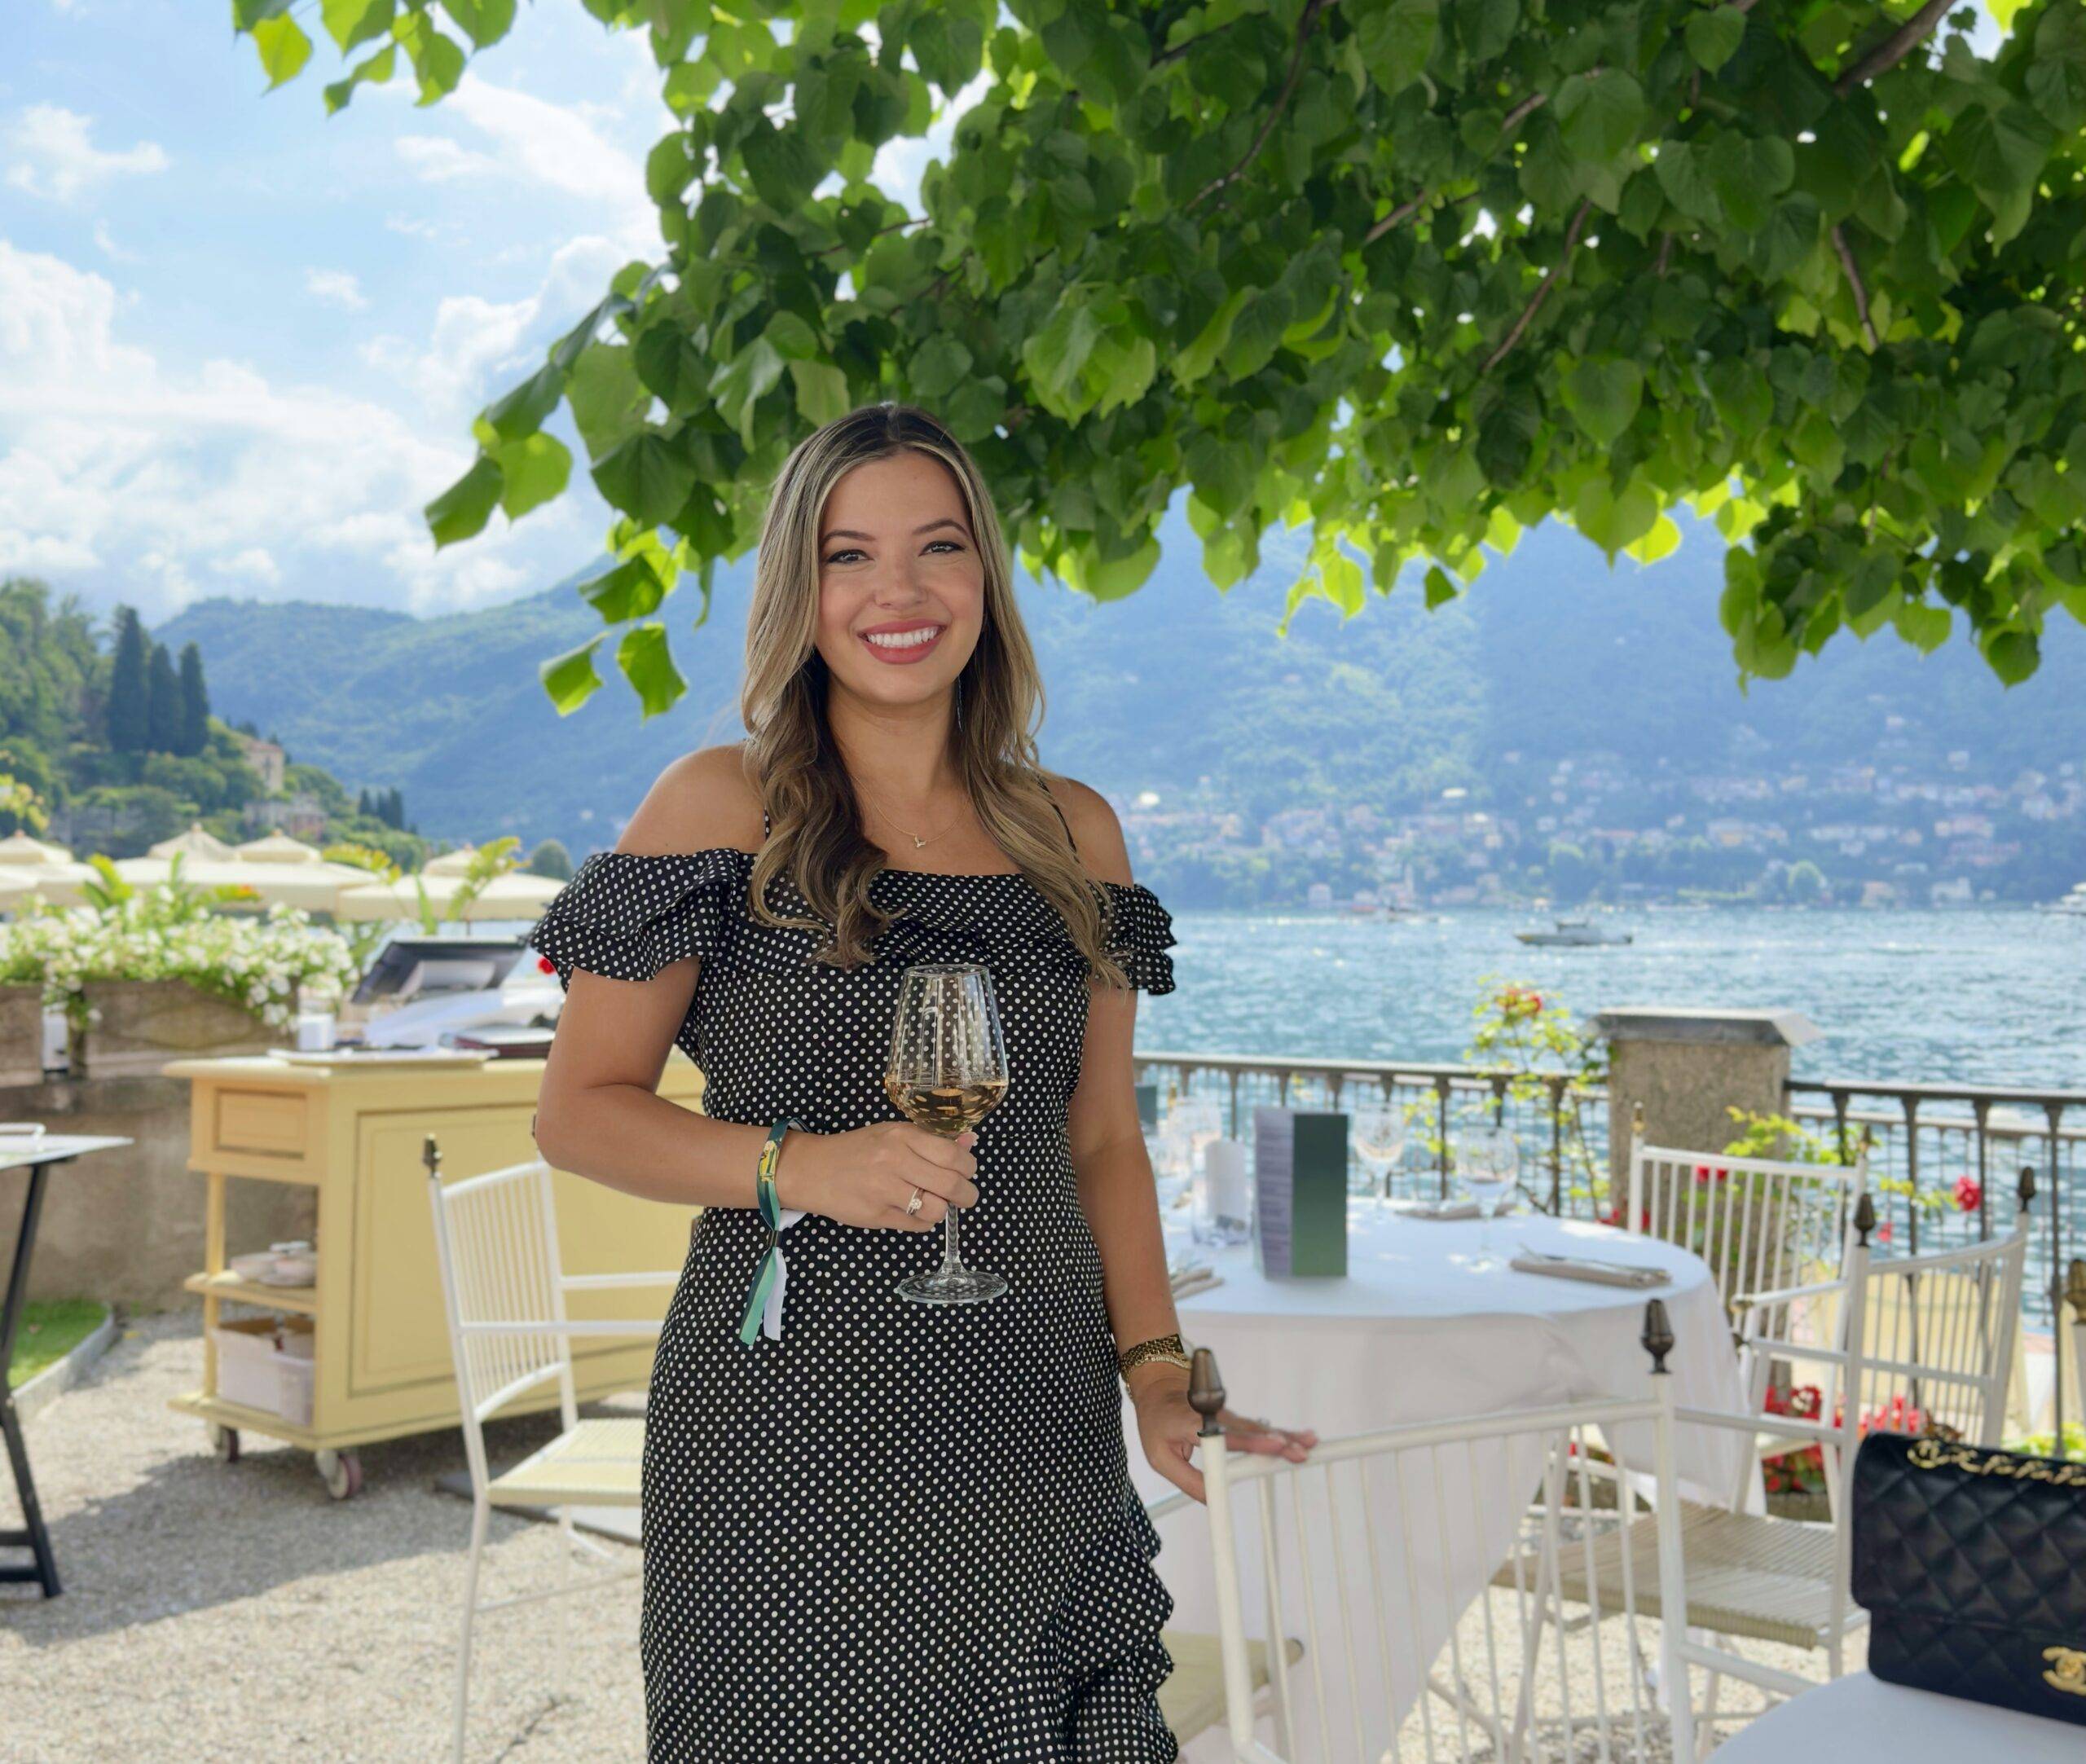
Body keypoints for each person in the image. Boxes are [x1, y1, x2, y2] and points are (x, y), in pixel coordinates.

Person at [527, 401, 1317, 1762]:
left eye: (937, 547)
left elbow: (1101, 1141)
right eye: (851, 555)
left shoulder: (1075, 832)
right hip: (789, 1444)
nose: (898, 592)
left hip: (1037, 1432)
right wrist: (797, 1164)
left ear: (984, 580)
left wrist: (1153, 1370)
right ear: (802, 590)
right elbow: (578, 1111)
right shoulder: (718, 807)